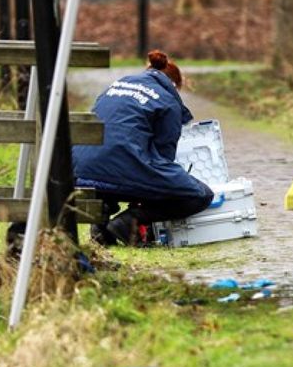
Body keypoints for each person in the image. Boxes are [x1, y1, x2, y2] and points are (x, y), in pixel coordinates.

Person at [73, 50, 214, 245]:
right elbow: (164, 156)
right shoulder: (168, 100)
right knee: (200, 194)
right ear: (174, 84)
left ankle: (101, 225)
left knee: (108, 169)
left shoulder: (116, 86)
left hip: (81, 170)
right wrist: (147, 200)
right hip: (120, 168)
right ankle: (129, 221)